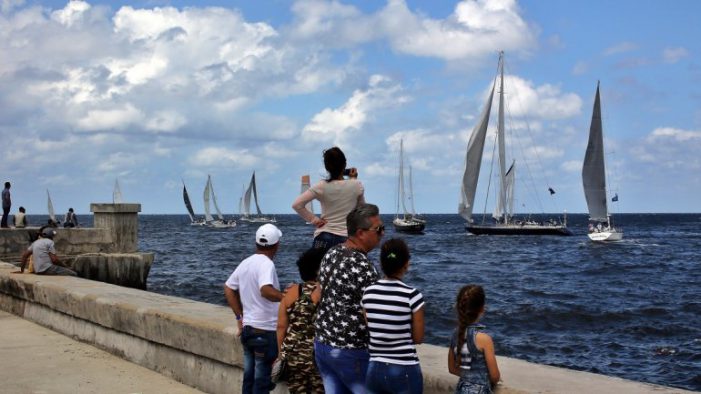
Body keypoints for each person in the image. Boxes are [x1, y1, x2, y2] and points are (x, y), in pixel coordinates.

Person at [314, 203, 383, 393]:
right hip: (351, 351)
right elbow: (372, 313)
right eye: (378, 229)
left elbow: (318, 293)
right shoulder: (363, 265)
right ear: (361, 233)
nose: (382, 233)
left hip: (323, 343)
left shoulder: (331, 253)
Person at [224, 223, 285, 394]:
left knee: (249, 380)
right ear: (276, 245)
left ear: (256, 242)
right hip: (265, 331)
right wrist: (285, 297)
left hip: (248, 330)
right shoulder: (267, 264)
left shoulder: (246, 262)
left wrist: (239, 318)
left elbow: (228, 288)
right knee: (261, 383)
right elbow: (265, 290)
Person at [361, 238, 425, 394]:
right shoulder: (412, 296)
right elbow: (418, 338)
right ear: (406, 264)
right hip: (404, 368)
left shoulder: (368, 293)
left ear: (381, 264)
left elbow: (371, 328)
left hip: (374, 367)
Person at [292, 146, 365, 249]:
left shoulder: (321, 186)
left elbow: (297, 205)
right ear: (345, 164)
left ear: (327, 168)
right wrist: (353, 179)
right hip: (347, 239)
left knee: (318, 265)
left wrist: (314, 220)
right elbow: (362, 210)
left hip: (324, 237)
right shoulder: (356, 185)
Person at [276, 247, 326, 393]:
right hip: (318, 355)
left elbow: (281, 326)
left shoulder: (291, 292)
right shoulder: (327, 292)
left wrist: (280, 353)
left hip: (293, 354)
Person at [448, 285, 500, 394]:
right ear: (482, 308)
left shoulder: (455, 334)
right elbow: (495, 376)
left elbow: (452, 368)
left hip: (461, 388)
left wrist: (469, 376)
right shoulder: (484, 339)